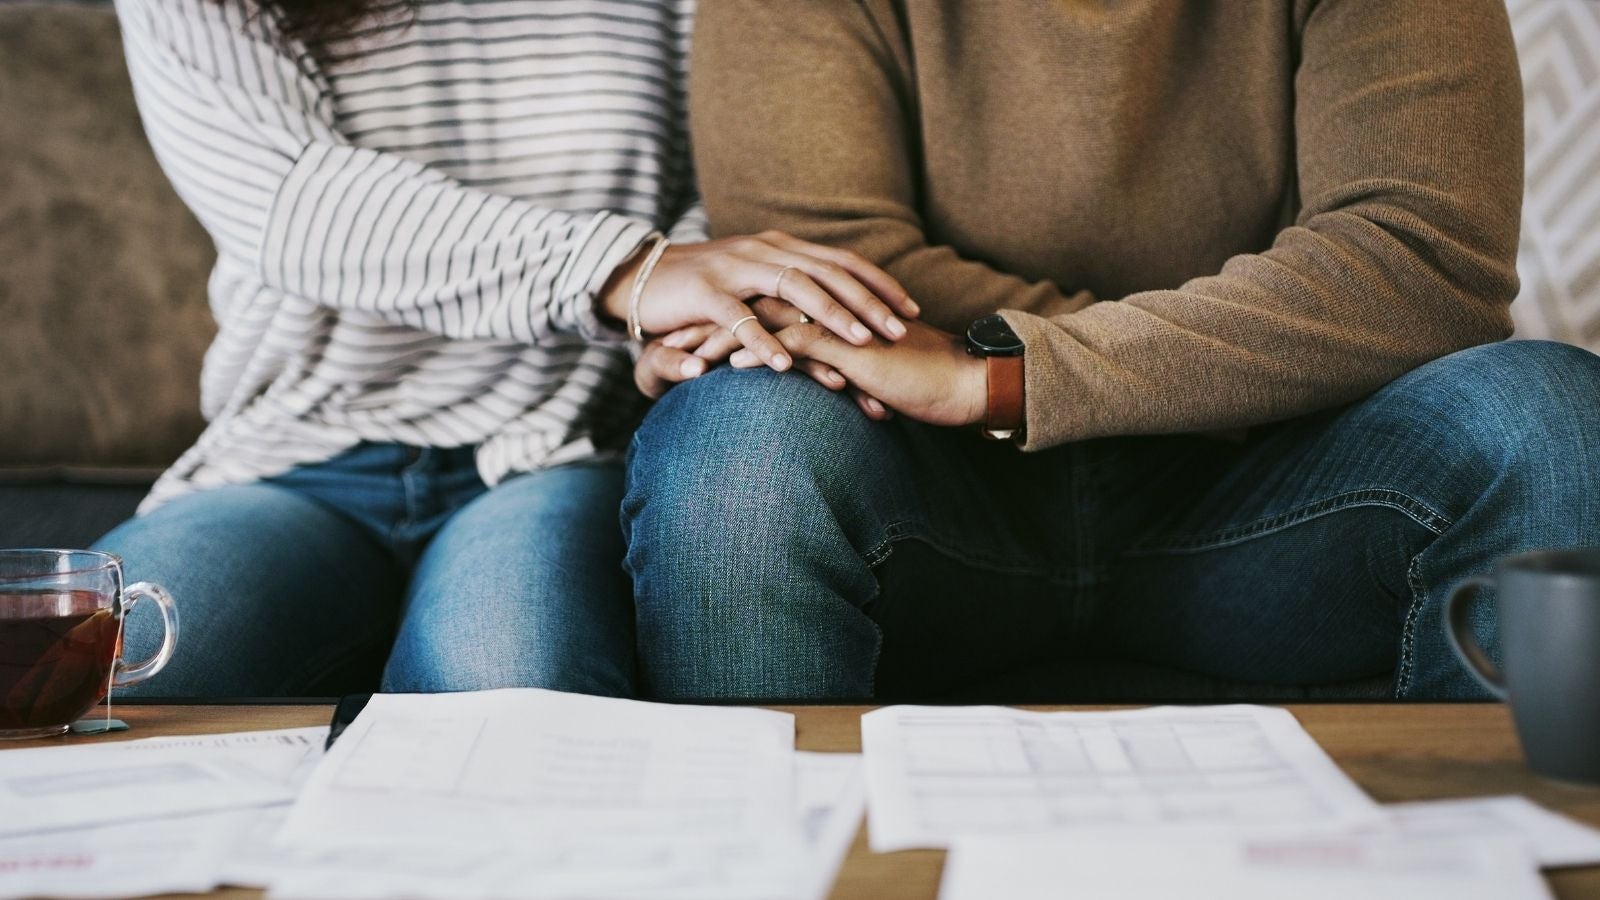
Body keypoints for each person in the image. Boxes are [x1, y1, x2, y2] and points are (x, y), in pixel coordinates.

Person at [622, 0, 1600, 701]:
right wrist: (1226, 350)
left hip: (1279, 491)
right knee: (733, 441)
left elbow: (1418, 260)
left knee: (1548, 415)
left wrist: (1008, 379)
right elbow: (825, 269)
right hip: (926, 495)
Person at [95, 0, 916, 697]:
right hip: (296, 456)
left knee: (513, 695)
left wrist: (684, 329)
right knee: (81, 673)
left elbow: (722, 181)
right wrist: (624, 272)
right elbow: (290, 203)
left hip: (546, 452)